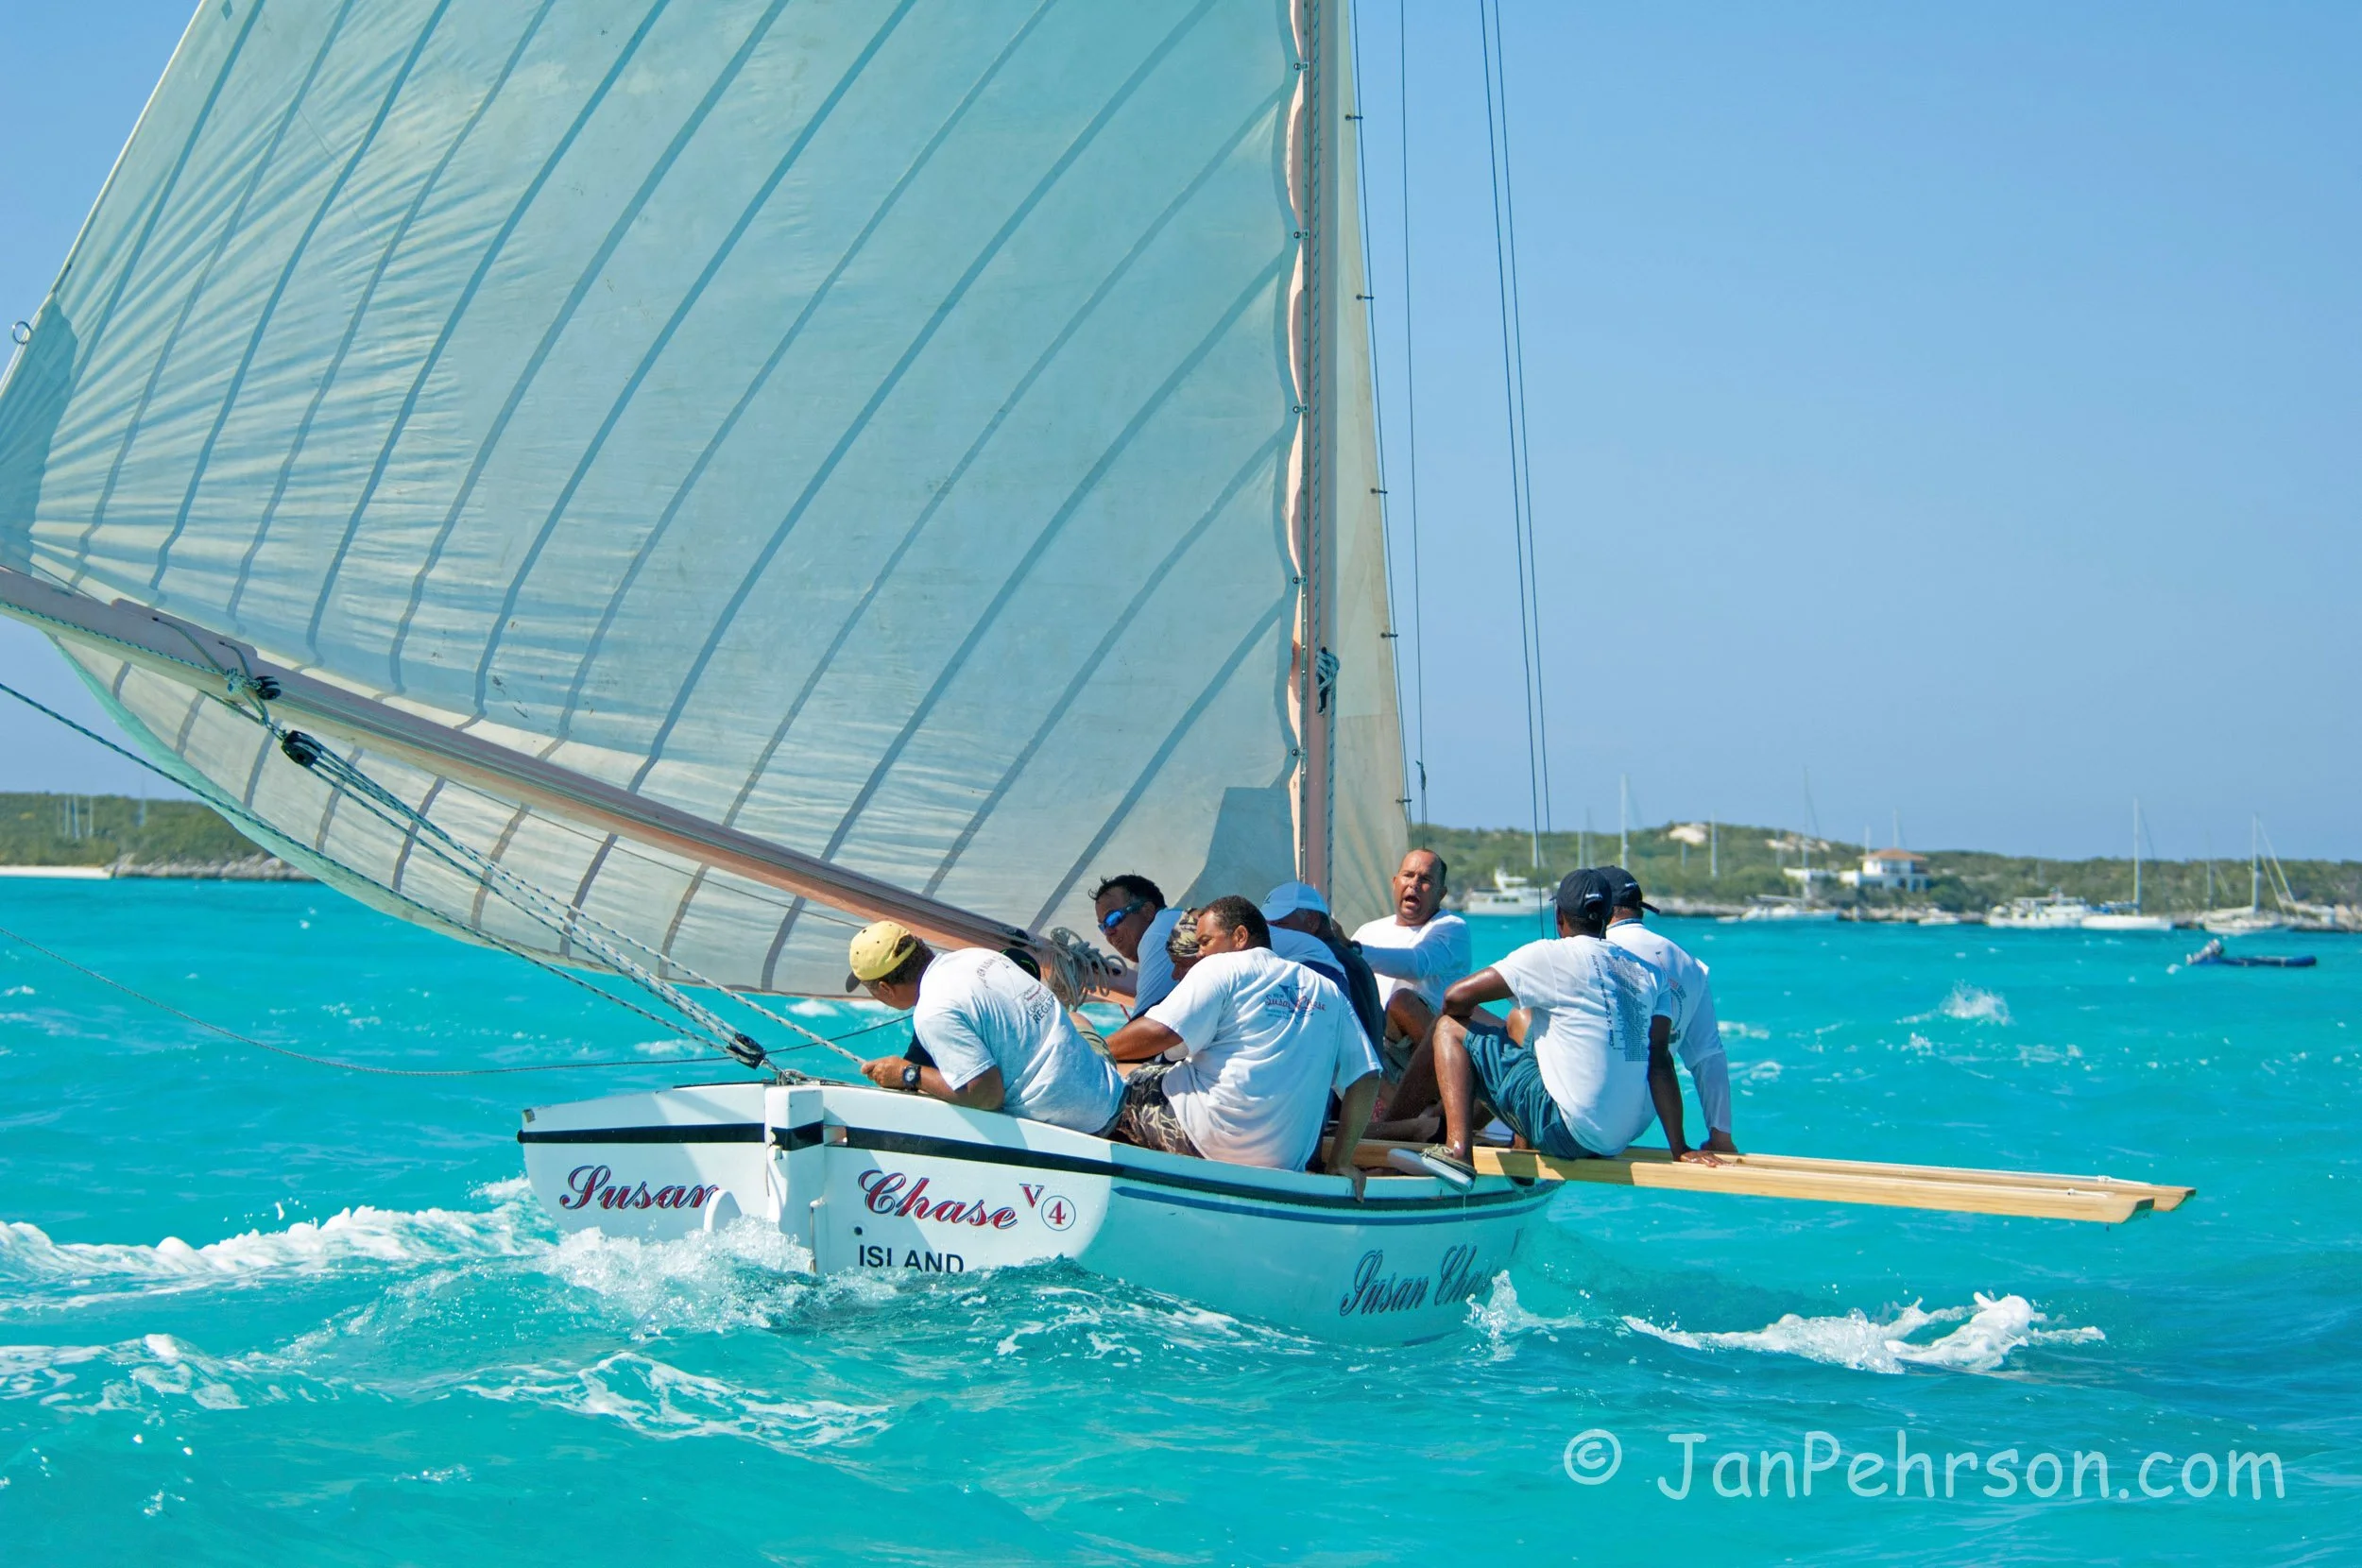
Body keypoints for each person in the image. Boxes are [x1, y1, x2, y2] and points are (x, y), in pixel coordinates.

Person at [1387, 870, 1720, 1173]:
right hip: (1617, 1137)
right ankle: (1508, 1139)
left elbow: (1454, 998)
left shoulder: (1551, 954)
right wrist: (1680, 1148)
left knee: (1449, 1027)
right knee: (1525, 1023)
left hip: (1565, 1133)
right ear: (1607, 919)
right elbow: (1660, 1062)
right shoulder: (1647, 973)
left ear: (1560, 917)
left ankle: (1457, 1152)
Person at [1101, 896, 1382, 1185]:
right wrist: (1340, 1162)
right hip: (1285, 1160)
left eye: (1205, 941)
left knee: (1110, 1078)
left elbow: (1160, 1033)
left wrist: (1095, 1050)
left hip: (1205, 1143)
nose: (1199, 953)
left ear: (1239, 937)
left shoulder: (1221, 966)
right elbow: (1366, 1076)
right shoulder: (1328, 991)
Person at [846, 920, 1124, 1135]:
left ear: (884, 988)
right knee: (1077, 1020)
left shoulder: (933, 1013)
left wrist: (908, 1074)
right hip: (1108, 1091)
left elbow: (987, 1096)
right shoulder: (979, 957)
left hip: (1085, 1123)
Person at [1598, 866, 1738, 1154]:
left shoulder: (1594, 951)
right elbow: (1708, 1057)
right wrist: (1720, 1137)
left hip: (1590, 1117)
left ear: (1601, 909)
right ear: (1641, 911)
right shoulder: (1690, 964)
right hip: (1640, 1122)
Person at [1349, 848, 1471, 1072]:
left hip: (1422, 1049)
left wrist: (1352, 951)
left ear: (1441, 894)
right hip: (1371, 1043)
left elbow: (1417, 964)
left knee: (1402, 1002)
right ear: (1395, 882)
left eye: (1425, 879)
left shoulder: (1452, 928)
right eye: (1408, 875)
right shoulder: (1368, 931)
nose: (1414, 884)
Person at [1260, 880, 1385, 1051]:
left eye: (1280, 925)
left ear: (1312, 921)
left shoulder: (1323, 964)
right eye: (1266, 926)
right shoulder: (1349, 959)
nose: (1271, 934)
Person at [1091, 875, 1183, 1016]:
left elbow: (1151, 1025)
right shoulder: (1176, 921)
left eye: (1113, 918)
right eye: (1103, 926)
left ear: (1147, 911)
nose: (1108, 933)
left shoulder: (1160, 930)